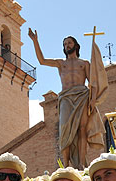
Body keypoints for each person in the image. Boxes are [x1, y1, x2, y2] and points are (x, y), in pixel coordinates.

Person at [28, 29, 107, 168]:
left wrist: (93, 100)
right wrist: (35, 41)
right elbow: (42, 61)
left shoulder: (84, 63)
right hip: (65, 97)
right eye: (65, 44)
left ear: (76, 45)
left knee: (82, 129)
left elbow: (92, 83)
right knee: (64, 129)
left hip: (82, 96)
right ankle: (65, 165)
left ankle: (81, 163)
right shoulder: (61, 63)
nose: (67, 46)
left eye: (69, 43)